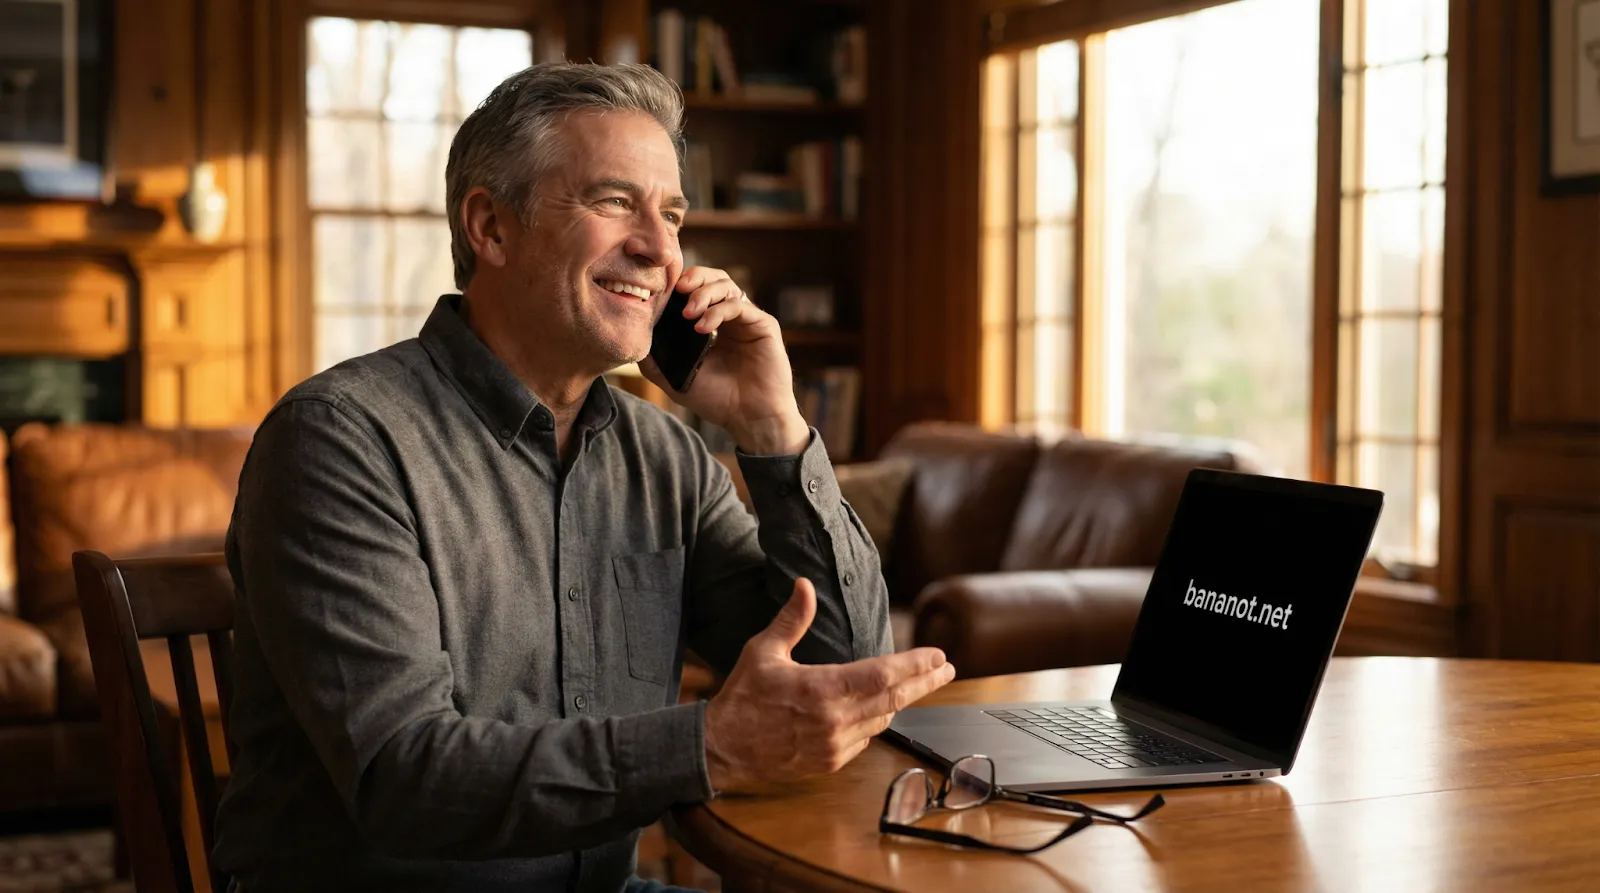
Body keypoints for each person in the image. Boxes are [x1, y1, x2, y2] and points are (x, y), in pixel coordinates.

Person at [213, 61, 956, 893]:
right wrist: (707, 745)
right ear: (490, 228)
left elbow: (840, 670)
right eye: (613, 202)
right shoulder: (339, 440)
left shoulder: (665, 456)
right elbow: (404, 775)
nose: (661, 248)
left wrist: (771, 426)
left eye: (671, 213)